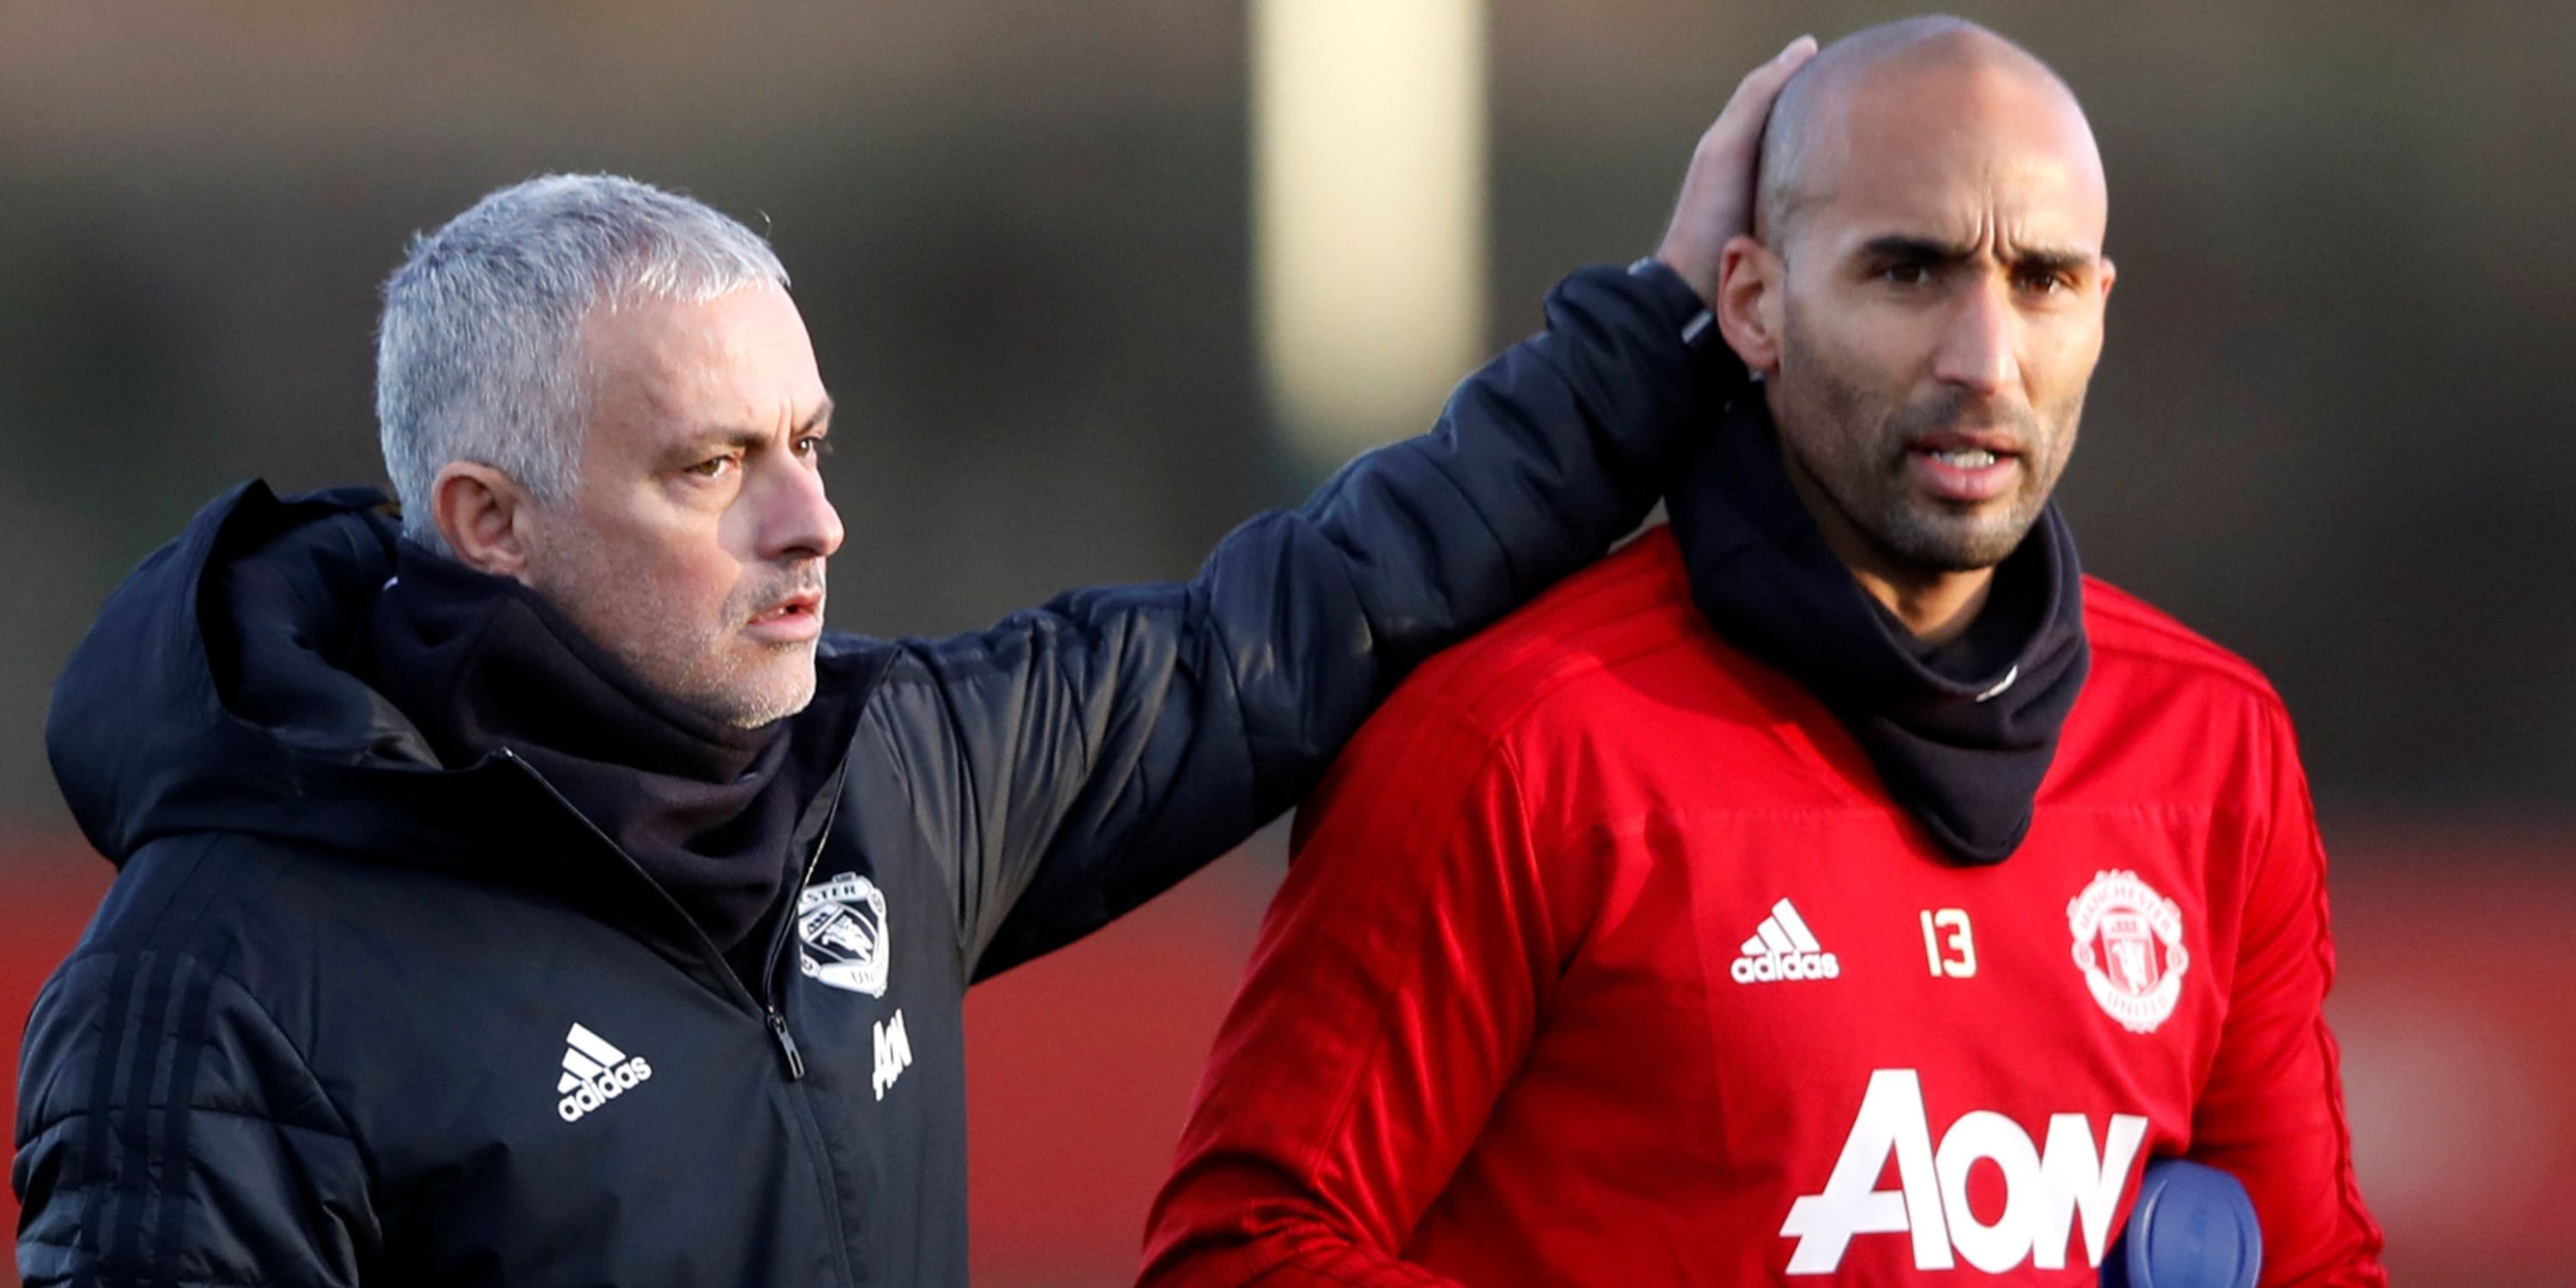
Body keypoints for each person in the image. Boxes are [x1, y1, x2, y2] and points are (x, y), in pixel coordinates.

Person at [7, 38, 1820, 1288]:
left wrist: (1657, 334)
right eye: (713, 467)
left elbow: (1294, 620)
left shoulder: (888, 777)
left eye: (809, 441)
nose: (813, 523)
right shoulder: (220, 978)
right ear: (487, 519)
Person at [1143, 17, 2385, 1287]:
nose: (1984, 360)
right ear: (1752, 301)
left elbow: (2310, 1264)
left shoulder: (2212, 746)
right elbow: (1240, 1252)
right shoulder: (1517, 747)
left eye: (2043, 281)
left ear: (2100, 309)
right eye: (1908, 274)